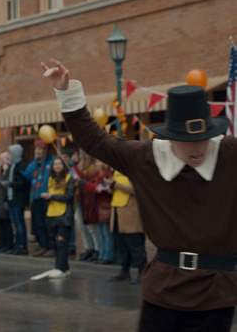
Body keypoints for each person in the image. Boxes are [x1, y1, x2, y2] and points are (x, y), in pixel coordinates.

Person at [43, 58, 237, 331]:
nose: (199, 147)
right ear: (170, 137)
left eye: (204, 137)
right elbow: (94, 140)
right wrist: (67, 92)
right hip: (164, 288)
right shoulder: (146, 157)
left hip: (218, 290)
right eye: (188, 139)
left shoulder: (230, 154)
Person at [108, 170, 146, 285]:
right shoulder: (115, 171)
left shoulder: (134, 171)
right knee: (122, 246)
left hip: (130, 213)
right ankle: (125, 272)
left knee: (135, 245)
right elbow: (111, 191)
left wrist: (116, 185)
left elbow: (136, 189)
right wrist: (110, 185)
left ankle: (142, 273)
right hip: (117, 212)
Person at [41, 157, 75, 278]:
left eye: (59, 164)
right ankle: (65, 267)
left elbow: (69, 196)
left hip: (64, 215)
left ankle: (59, 267)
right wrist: (46, 198)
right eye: (55, 164)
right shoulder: (51, 179)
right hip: (52, 214)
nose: (57, 166)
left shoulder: (68, 178)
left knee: (62, 242)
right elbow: (49, 196)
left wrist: (52, 196)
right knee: (56, 242)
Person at [22, 140, 55, 257]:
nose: (38, 151)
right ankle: (43, 245)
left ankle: (52, 247)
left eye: (40, 149)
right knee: (39, 224)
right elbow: (26, 175)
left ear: (45, 150)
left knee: (48, 224)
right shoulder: (34, 163)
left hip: (47, 197)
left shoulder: (52, 161)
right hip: (36, 197)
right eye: (36, 149)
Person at [73, 149, 100, 262]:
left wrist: (75, 170)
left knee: (91, 227)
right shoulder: (78, 166)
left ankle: (97, 249)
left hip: (89, 200)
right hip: (79, 198)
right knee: (81, 226)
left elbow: (84, 179)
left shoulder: (93, 168)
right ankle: (88, 248)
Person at [6, 144, 30, 255]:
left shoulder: (22, 165)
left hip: (19, 198)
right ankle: (17, 244)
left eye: (10, 153)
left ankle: (22, 245)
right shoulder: (12, 165)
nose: (9, 155)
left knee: (20, 222)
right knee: (15, 223)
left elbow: (22, 183)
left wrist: (10, 184)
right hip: (11, 198)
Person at [91, 159, 114, 265]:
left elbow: (109, 188)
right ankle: (101, 254)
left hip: (105, 205)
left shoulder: (108, 174)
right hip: (97, 205)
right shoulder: (96, 175)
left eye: (98, 162)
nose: (96, 164)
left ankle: (108, 255)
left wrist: (103, 188)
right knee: (100, 232)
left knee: (106, 232)